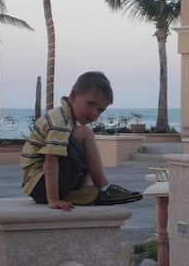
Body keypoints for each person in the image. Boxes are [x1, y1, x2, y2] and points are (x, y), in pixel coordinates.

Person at [20, 71, 142, 211]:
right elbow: (51, 160)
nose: (95, 113)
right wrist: (53, 200)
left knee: (88, 156)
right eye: (91, 104)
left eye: (100, 110)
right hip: (40, 185)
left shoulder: (66, 119)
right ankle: (103, 188)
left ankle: (84, 192)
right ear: (73, 95)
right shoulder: (60, 121)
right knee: (85, 133)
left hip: (44, 185)